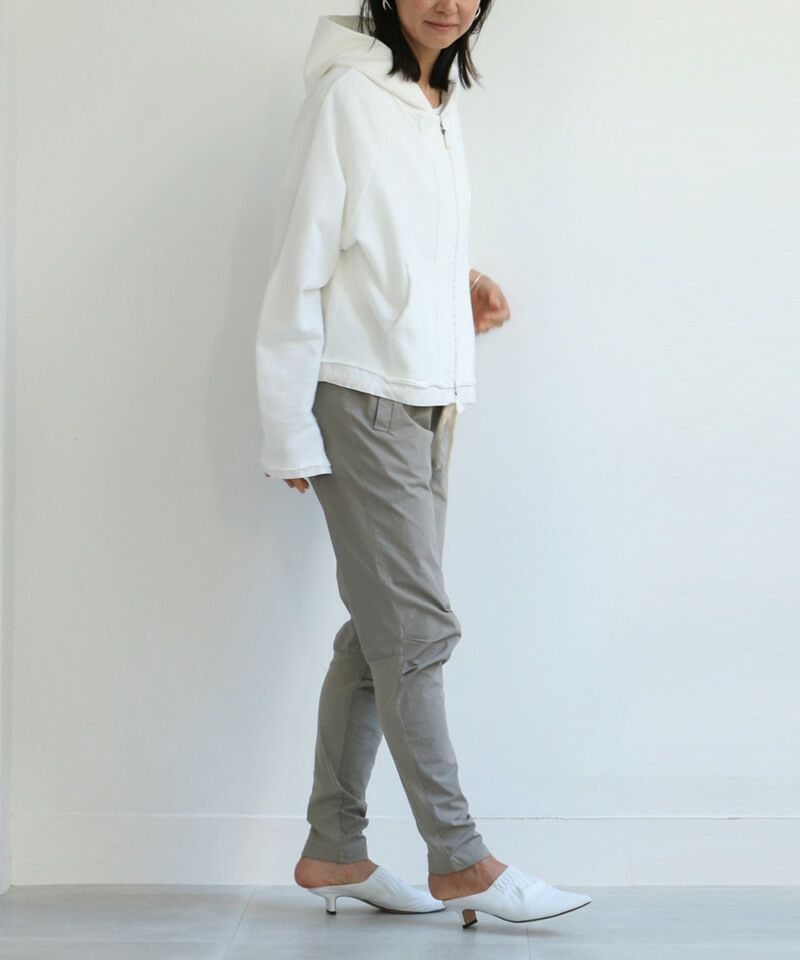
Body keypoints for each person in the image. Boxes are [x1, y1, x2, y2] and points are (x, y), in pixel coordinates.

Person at [255, 1, 591, 928]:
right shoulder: (348, 99)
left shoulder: (438, 103)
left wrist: (457, 291)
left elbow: (392, 248)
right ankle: (461, 858)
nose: (448, 2)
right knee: (417, 633)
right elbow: (300, 264)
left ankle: (334, 846)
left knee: (378, 634)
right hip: (360, 398)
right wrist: (286, 428)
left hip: (432, 400)